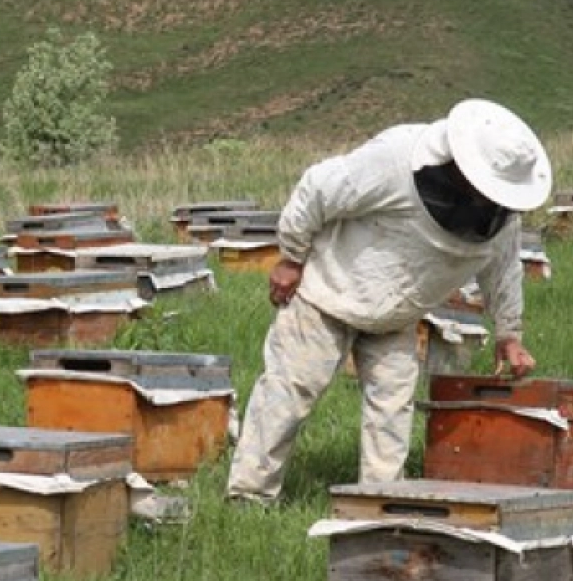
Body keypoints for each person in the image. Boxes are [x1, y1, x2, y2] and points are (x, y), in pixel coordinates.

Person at [226, 99, 552, 506]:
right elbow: (318, 188)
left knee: (391, 419)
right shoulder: (395, 160)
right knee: (288, 396)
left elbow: (502, 268)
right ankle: (249, 496)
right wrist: (292, 257)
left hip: (399, 314)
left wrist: (509, 333)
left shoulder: (501, 214)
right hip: (326, 293)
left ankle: (379, 509)